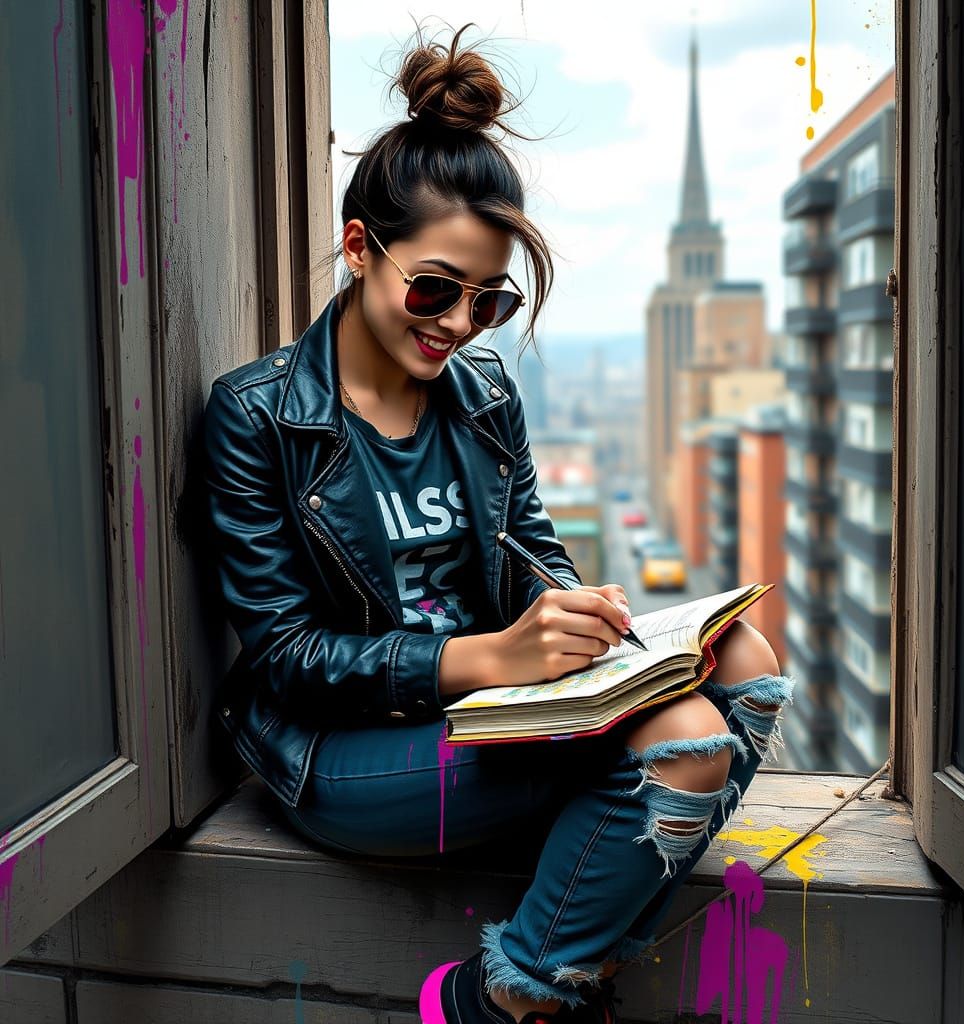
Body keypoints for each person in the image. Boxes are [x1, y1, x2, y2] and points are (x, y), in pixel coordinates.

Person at [202, 22, 796, 1024]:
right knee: (689, 737)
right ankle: (505, 1000)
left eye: (488, 301)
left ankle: (550, 968)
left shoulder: (479, 394)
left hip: (493, 718)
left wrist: (576, 613)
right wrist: (485, 660)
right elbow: (285, 656)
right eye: (433, 289)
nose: (457, 324)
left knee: (744, 655)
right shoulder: (258, 413)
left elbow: (531, 550)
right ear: (360, 248)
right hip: (343, 751)